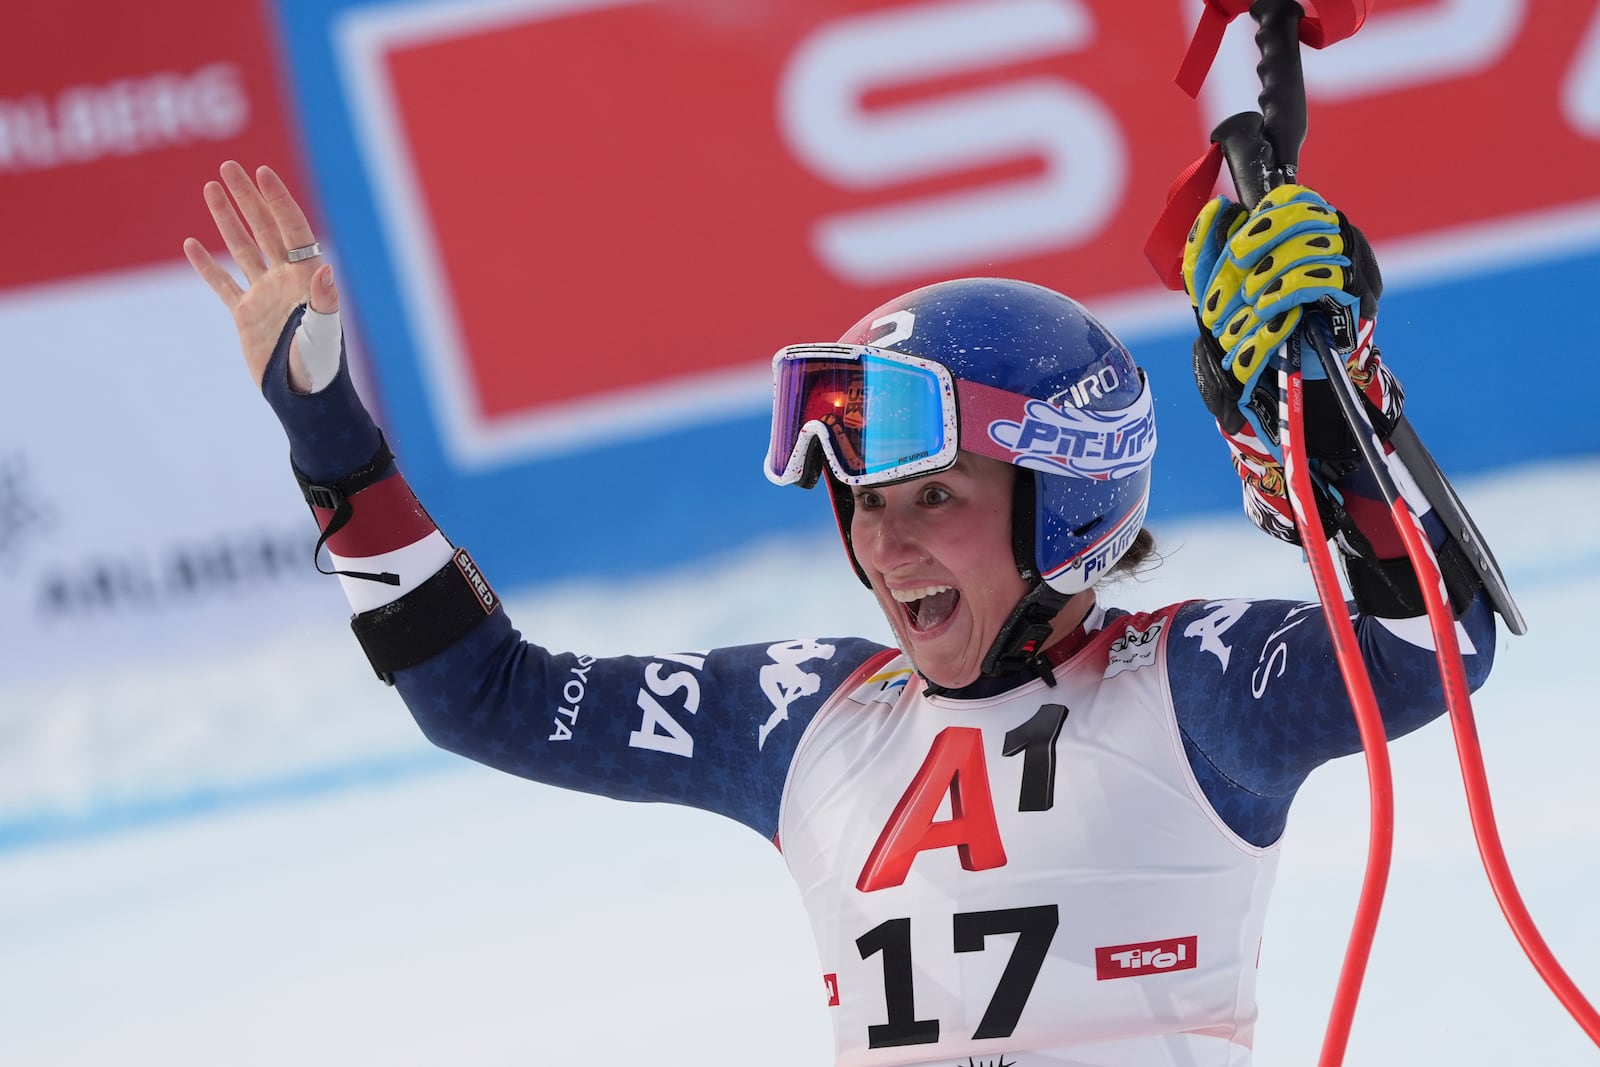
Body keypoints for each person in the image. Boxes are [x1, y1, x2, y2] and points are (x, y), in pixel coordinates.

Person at [186, 160, 1496, 1066]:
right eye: (862, 504)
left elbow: (1435, 643)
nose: (884, 544)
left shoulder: (1194, 683)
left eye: (931, 494)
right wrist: (327, 431)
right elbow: (486, 693)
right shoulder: (810, 713)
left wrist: (1324, 404)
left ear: (1067, 499)